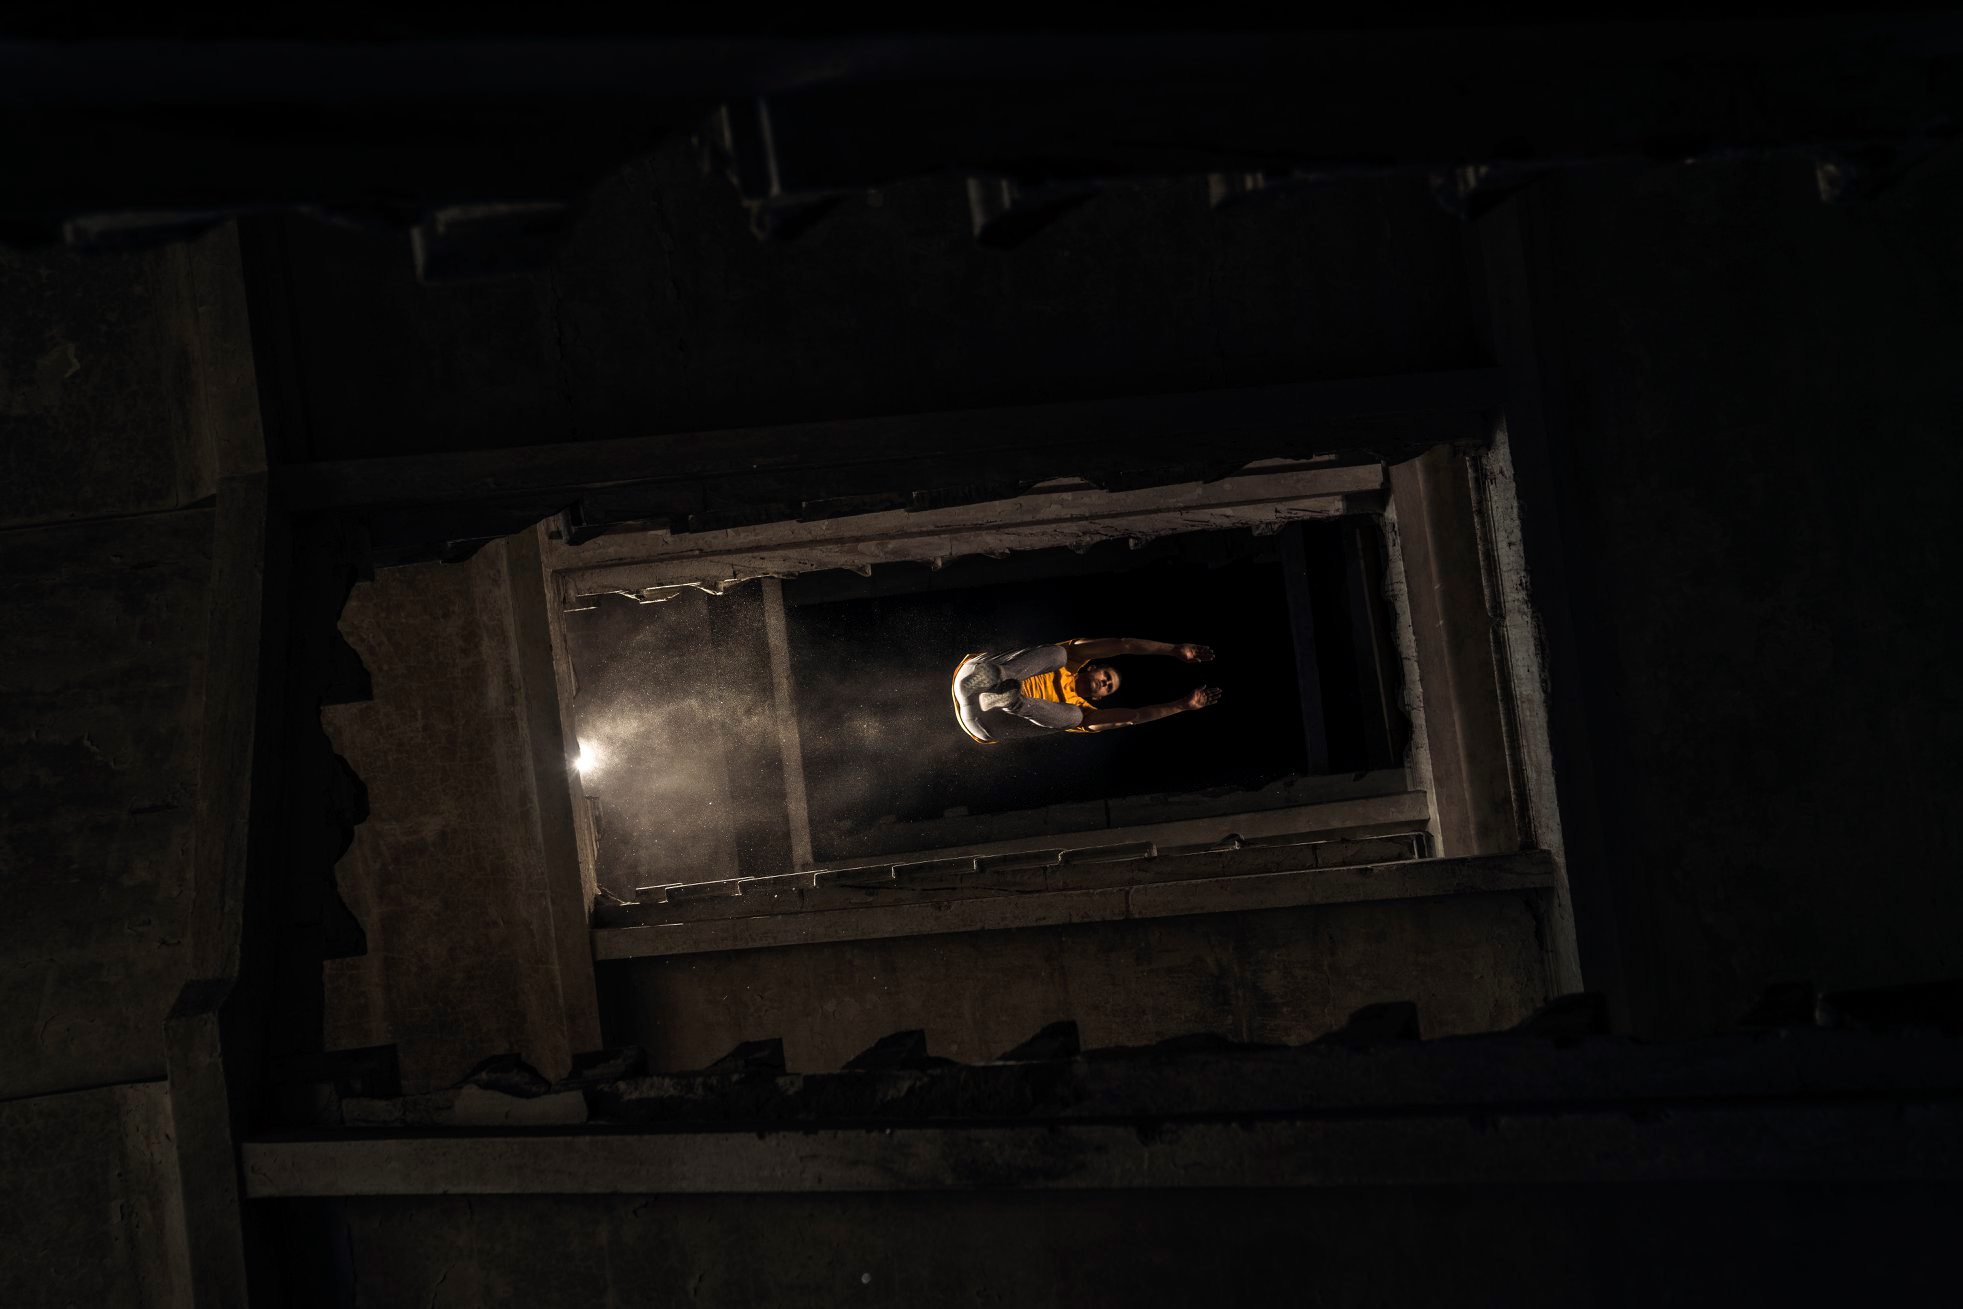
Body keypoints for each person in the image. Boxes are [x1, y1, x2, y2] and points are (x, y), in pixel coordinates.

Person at [950, 638, 1223, 744]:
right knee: (1058, 653)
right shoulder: (1073, 659)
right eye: (1106, 675)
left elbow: (1135, 716)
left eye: (1108, 688)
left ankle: (1011, 701)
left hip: (988, 722)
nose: (1105, 683)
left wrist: (1182, 706)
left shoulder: (1085, 709)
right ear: (1094, 668)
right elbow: (1123, 645)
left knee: (1076, 719)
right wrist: (1172, 649)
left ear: (1099, 697)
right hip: (974, 677)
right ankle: (1000, 678)